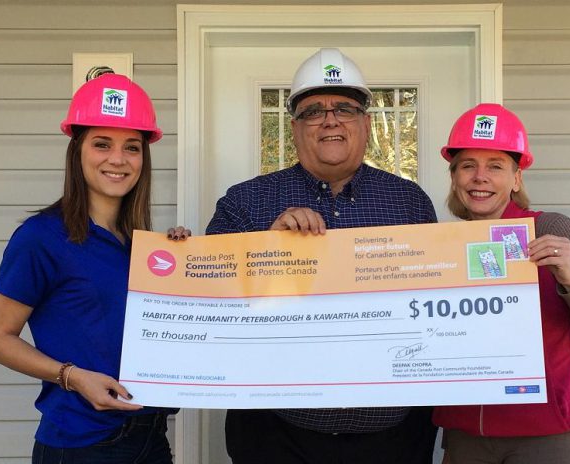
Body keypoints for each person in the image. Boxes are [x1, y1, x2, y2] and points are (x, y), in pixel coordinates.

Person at [171, 48, 439, 464]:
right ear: (295, 128)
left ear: (365, 124)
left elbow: (434, 303)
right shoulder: (246, 202)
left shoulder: (408, 202)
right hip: (277, 433)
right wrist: (269, 251)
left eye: (345, 108)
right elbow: (211, 306)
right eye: (313, 110)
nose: (330, 119)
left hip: (392, 435)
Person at [0, 72, 176, 463]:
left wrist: (181, 264)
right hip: (82, 444)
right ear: (78, 151)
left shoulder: (140, 244)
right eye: (102, 144)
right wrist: (73, 377)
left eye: (132, 147)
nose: (118, 159)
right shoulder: (42, 237)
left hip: (150, 438)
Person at [432, 103, 570, 464]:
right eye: (468, 166)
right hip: (466, 433)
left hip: (545, 434)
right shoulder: (441, 247)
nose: (480, 177)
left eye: (496, 166)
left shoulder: (553, 230)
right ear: (455, 178)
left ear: (517, 178)